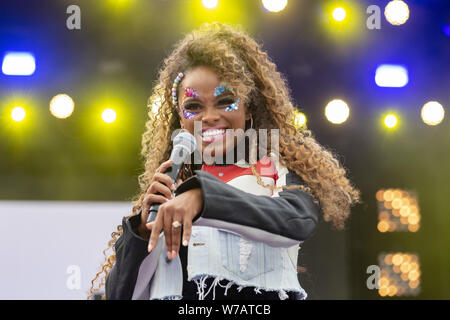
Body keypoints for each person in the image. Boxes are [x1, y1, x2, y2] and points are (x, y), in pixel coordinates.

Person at [88, 22, 360, 300]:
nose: (209, 117)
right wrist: (144, 232)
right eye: (193, 107)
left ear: (249, 108)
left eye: (225, 101)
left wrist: (202, 199)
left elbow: (296, 220)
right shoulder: (169, 191)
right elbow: (121, 295)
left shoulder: (275, 171)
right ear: (180, 119)